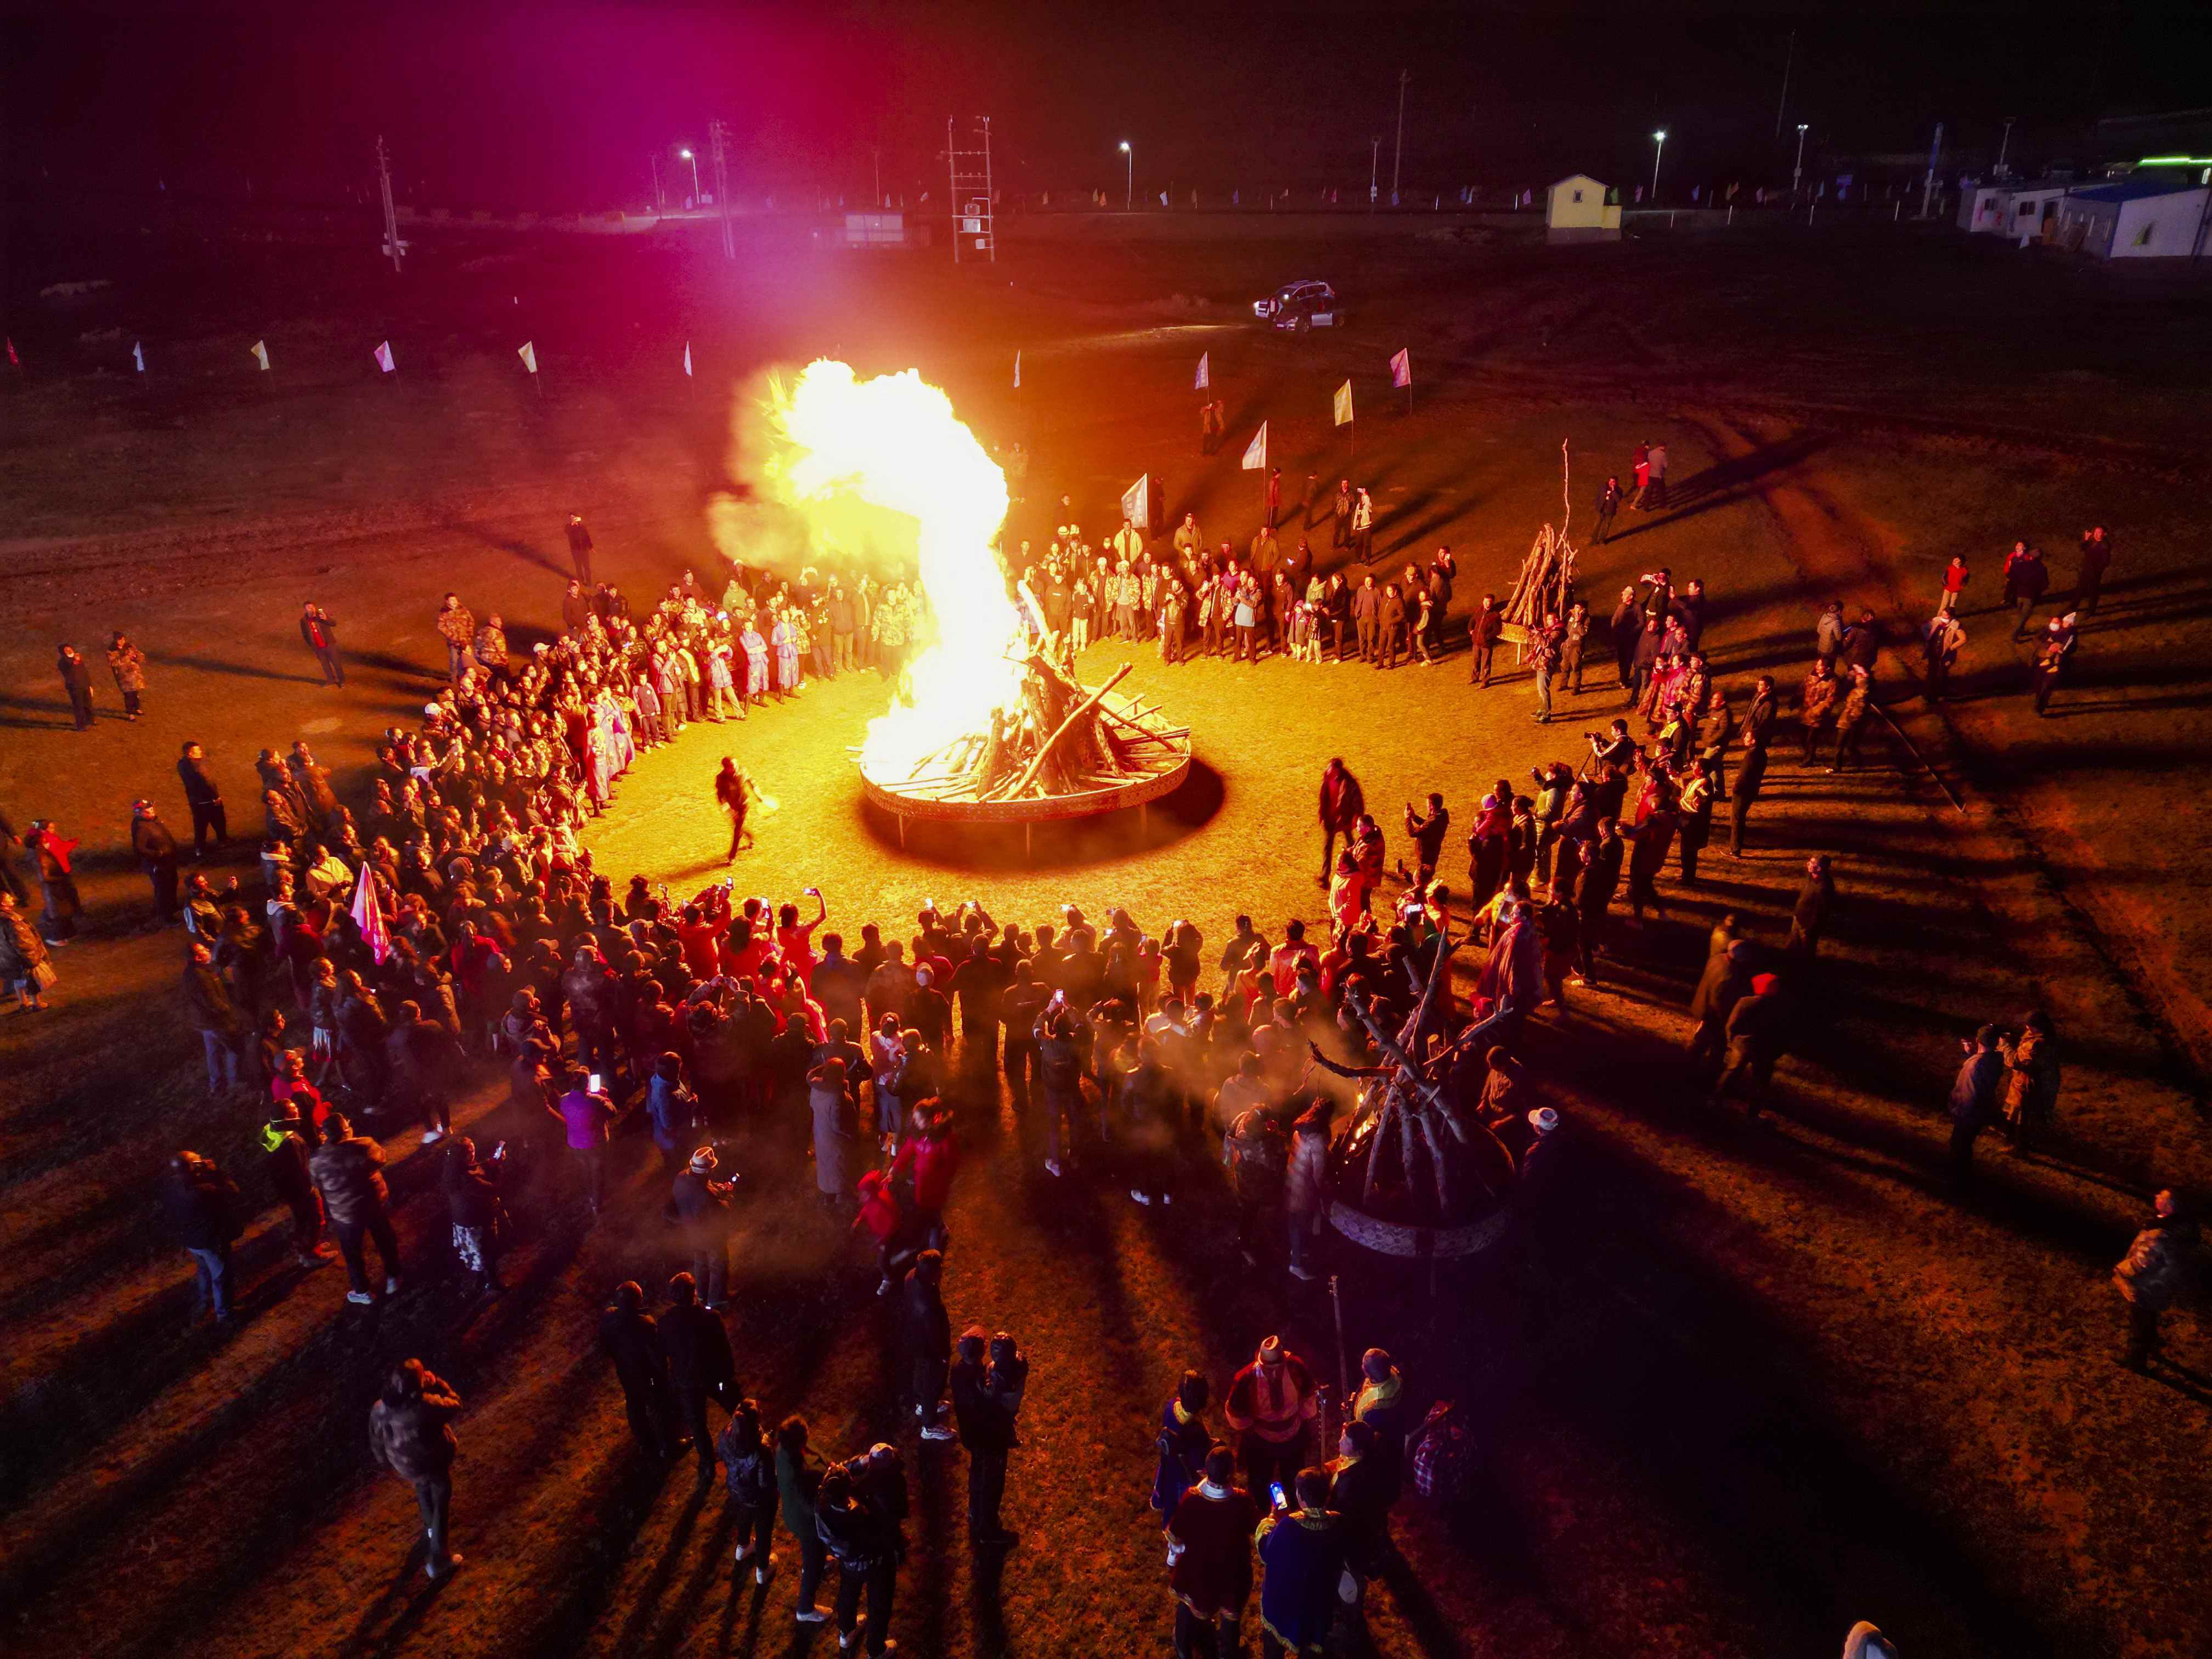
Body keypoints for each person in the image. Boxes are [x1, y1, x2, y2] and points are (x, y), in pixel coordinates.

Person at [369, 1359, 464, 1581]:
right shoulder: (425, 1406)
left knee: (422, 1488)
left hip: (405, 1464)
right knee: (441, 1495)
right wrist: (437, 1382)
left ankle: (430, 1529)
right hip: (430, 1461)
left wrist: (386, 1461)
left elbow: (376, 1438)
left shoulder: (380, 1408)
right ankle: (439, 1560)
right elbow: (456, 1404)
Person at [1167, 1443, 1258, 1659]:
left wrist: (1172, 1560)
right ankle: (1228, 1652)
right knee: (1231, 1615)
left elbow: (1176, 1536)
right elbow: (1254, 1528)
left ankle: (1183, 1646)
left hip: (1198, 1571)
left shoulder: (1192, 1499)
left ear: (1206, 1470)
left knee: (1189, 1606)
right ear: (1231, 1472)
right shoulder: (1242, 1500)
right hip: (1232, 1571)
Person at [1254, 1466, 1348, 1659]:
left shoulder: (1289, 1525)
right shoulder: (1339, 1522)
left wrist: (1271, 1520)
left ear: (1299, 1496)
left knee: (1274, 1646)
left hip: (1285, 1603)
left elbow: (1267, 1551)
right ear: (1327, 1496)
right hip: (1319, 1602)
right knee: (1311, 1647)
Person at [817, 1452, 905, 1656]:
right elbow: (878, 1535)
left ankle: (846, 1632)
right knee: (879, 1603)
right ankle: (876, 1649)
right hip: (873, 1563)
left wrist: (858, 1463)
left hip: (847, 1561)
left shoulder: (822, 1501)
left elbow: (838, 1474)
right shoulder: (858, 1514)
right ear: (848, 1490)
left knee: (848, 1593)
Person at [311, 1111, 402, 1304]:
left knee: (352, 1253)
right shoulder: (364, 1145)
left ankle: (362, 1291)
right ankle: (394, 1277)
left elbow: (317, 1181)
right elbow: (381, 1159)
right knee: (385, 1241)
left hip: (345, 1213)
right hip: (373, 1205)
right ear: (346, 1128)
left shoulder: (318, 1158)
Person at [1223, 1335, 1319, 1500]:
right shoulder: (1247, 1378)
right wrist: (1253, 1423)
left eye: (1278, 1366)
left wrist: (1300, 1416)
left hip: (1292, 1436)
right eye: (1269, 1367)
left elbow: (1309, 1394)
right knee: (1259, 1483)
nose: (1274, 1371)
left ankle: (1296, 1512)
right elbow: (1235, 1412)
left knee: (1294, 1480)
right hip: (1261, 1441)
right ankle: (1261, 1516)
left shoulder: (1295, 1367)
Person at [950, 1326, 1022, 1545]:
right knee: (992, 1484)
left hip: (973, 1437)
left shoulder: (960, 1371)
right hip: (989, 1440)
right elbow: (993, 1404)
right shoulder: (981, 1382)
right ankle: (988, 1531)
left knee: (978, 1475)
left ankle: (975, 1515)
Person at [665, 1271, 738, 1484]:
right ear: (694, 1293)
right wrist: (728, 1377)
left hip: (688, 1383)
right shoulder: (711, 1318)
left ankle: (707, 1463)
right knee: (736, 1407)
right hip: (715, 1378)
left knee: (698, 1425)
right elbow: (725, 1351)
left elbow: (666, 1351)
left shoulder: (666, 1322)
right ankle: (752, 1438)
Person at [599, 1279, 685, 1459]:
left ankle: (646, 1444)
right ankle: (669, 1447)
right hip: (648, 1375)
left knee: (635, 1406)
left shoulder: (609, 1316)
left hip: (626, 1372)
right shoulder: (645, 1323)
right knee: (659, 1408)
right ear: (638, 1300)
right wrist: (662, 1374)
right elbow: (656, 1354)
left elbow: (605, 1344)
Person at [2113, 1190, 2198, 1371]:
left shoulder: (2160, 1233)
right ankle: (2152, 1350)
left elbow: (2142, 1261)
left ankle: (2136, 1363)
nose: (2156, 1196)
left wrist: (2121, 1270)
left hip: (2147, 1284)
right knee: (2149, 1318)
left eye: (2162, 1196)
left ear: (2170, 1207)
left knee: (2139, 1323)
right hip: (2159, 1284)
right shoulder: (2172, 1226)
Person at [162, 1150, 241, 1327]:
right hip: (211, 1241)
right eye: (198, 1162)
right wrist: (215, 1172)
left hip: (192, 1241)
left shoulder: (173, 1186)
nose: (202, 1163)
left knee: (204, 1272)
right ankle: (224, 1315)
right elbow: (233, 1191)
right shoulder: (204, 1191)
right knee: (221, 1277)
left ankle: (205, 1302)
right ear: (192, 1168)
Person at [776, 1416, 835, 1622]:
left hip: (797, 1517)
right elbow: (811, 1506)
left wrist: (829, 1465)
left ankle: (817, 1561)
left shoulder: (784, 1451)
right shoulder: (802, 1474)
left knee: (815, 1552)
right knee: (814, 1561)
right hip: (807, 1524)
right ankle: (805, 1609)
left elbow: (812, 1451)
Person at [718, 1397, 780, 1581]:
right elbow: (766, 1483)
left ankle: (743, 1547)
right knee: (763, 1530)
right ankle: (763, 1568)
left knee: (744, 1516)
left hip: (738, 1490)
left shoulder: (726, 1433)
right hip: (759, 1499)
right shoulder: (762, 1448)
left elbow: (722, 1456)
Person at [439, 1136, 507, 1296]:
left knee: (478, 1254)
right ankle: (492, 1285)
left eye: (474, 1149)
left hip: (466, 1220)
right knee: (487, 1252)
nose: (474, 1154)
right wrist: (499, 1167)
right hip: (477, 1223)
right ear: (461, 1156)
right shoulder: (467, 1179)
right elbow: (493, 1189)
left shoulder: (454, 1168)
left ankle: (480, 1281)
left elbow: (475, 1168)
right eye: (470, 1151)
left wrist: (490, 1163)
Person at [672, 1146, 736, 1309]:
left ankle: (701, 1296)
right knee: (718, 1265)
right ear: (708, 1170)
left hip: (692, 1233)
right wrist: (728, 1196)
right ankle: (717, 1300)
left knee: (700, 1263)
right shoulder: (706, 1195)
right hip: (710, 1236)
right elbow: (723, 1210)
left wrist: (716, 1188)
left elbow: (700, 1188)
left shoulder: (681, 1177)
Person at [1152, 1370, 1217, 1526]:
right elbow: (1200, 1464)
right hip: (1185, 1473)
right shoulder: (1196, 1430)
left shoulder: (1171, 1407)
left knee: (1169, 1498)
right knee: (1183, 1509)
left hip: (1169, 1464)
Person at [1946, 1024, 2005, 1188]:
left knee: (1959, 1147)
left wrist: (1957, 1111)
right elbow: (1984, 1062)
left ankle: (1958, 1182)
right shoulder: (1996, 1060)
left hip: (1968, 1114)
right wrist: (1972, 1053)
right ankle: (1962, 1176)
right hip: (1980, 1112)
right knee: (1965, 1145)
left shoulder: (1975, 1066)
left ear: (1978, 1040)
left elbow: (1969, 1093)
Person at [131, 800, 182, 926]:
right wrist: (157, 855)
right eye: (148, 811)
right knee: (163, 889)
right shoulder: (142, 828)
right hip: (158, 865)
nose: (152, 812)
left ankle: (172, 906)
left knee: (172, 883)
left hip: (167, 862)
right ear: (139, 813)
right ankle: (166, 917)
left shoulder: (152, 821)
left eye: (152, 810)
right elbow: (139, 848)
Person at [1, 890, 54, 1010]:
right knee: (30, 980)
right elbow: (22, 941)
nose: (12, 899)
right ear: (3, 903)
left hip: (7, 958)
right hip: (20, 956)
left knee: (17, 979)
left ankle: (23, 1003)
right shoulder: (12, 921)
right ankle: (37, 1004)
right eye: (9, 898)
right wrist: (30, 956)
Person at [1317, 758, 1365, 888]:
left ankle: (1362, 864)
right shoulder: (1327, 778)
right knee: (1327, 847)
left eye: (1330, 768)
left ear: (1337, 769)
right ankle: (1324, 876)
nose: (1328, 770)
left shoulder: (1349, 783)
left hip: (1344, 819)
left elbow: (1357, 800)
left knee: (1351, 844)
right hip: (1330, 819)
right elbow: (1323, 797)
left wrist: (1357, 816)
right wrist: (1321, 814)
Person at [176, 741, 227, 856]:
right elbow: (208, 782)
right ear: (190, 754)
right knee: (218, 821)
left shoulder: (182, 764)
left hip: (195, 801)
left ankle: (200, 848)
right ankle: (223, 841)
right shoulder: (198, 766)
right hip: (209, 801)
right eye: (197, 750)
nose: (201, 752)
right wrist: (216, 797)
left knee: (200, 826)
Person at [1786, 855, 1834, 958]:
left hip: (1807, 927)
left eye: (1811, 863)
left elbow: (1822, 912)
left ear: (1819, 868)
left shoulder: (1824, 888)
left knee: (1806, 953)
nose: (1808, 864)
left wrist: (1811, 929)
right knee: (1793, 948)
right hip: (1798, 918)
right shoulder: (1812, 877)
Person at [300, 602, 343, 686]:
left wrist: (327, 619)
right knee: (325, 665)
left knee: (336, 664)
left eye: (312, 607)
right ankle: (331, 680)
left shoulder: (321, 616)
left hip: (329, 645)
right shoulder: (304, 621)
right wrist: (312, 645)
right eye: (309, 608)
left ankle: (342, 681)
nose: (311, 609)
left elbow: (334, 624)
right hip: (318, 648)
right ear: (305, 610)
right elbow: (305, 634)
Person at [106, 630, 148, 719]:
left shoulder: (130, 646)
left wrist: (137, 657)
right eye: (119, 640)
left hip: (134, 674)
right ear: (116, 641)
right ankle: (130, 713)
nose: (122, 642)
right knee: (128, 695)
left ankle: (137, 708)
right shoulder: (112, 651)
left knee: (135, 693)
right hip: (124, 676)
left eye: (123, 639)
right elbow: (113, 663)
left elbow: (140, 655)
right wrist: (125, 658)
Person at [57, 644, 96, 729]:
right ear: (63, 652)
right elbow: (68, 672)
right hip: (75, 687)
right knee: (79, 706)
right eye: (66, 649)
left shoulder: (78, 658)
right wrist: (75, 662)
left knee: (88, 705)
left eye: (70, 648)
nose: (69, 650)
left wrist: (90, 685)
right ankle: (81, 725)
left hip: (85, 685)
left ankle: (90, 720)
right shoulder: (63, 662)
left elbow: (85, 672)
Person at [1468, 593, 1503, 686]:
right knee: (1476, 660)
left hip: (1486, 644)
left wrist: (1487, 638)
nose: (1487, 604)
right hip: (1476, 642)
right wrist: (1471, 630)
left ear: (1492, 603)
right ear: (1483, 602)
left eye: (1489, 602)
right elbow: (1473, 620)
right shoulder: (1479, 611)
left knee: (1485, 663)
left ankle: (1485, 681)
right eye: (1486, 601)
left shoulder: (1495, 616)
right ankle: (1475, 678)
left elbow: (1498, 630)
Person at [2075, 524, 2112, 614]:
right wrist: (2086, 539)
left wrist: (2097, 571)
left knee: (2093, 591)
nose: (2096, 534)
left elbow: (2105, 561)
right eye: (2095, 532)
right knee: (2080, 588)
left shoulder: (2105, 546)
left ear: (2104, 534)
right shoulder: (2092, 541)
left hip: (2095, 573)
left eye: (2099, 532)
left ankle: (2091, 611)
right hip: (2086, 570)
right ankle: (2074, 605)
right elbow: (2082, 548)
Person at [565, 511, 595, 583]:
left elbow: (587, 537)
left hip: (584, 549)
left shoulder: (582, 527)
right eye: (572, 518)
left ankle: (589, 582)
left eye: (574, 517)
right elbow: (567, 532)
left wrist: (591, 547)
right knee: (578, 566)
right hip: (575, 550)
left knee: (587, 566)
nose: (573, 519)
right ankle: (581, 581)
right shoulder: (569, 527)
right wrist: (572, 524)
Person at [1594, 475, 1622, 543]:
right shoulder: (1603, 487)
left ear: (1616, 483)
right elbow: (1598, 496)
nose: (1611, 483)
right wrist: (1597, 506)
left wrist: (1613, 491)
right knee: (1597, 525)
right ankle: (1594, 540)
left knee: (1606, 526)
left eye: (1613, 481)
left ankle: (1602, 540)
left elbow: (1618, 500)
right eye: (1610, 481)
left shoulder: (1619, 490)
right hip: (1602, 509)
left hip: (1610, 511)